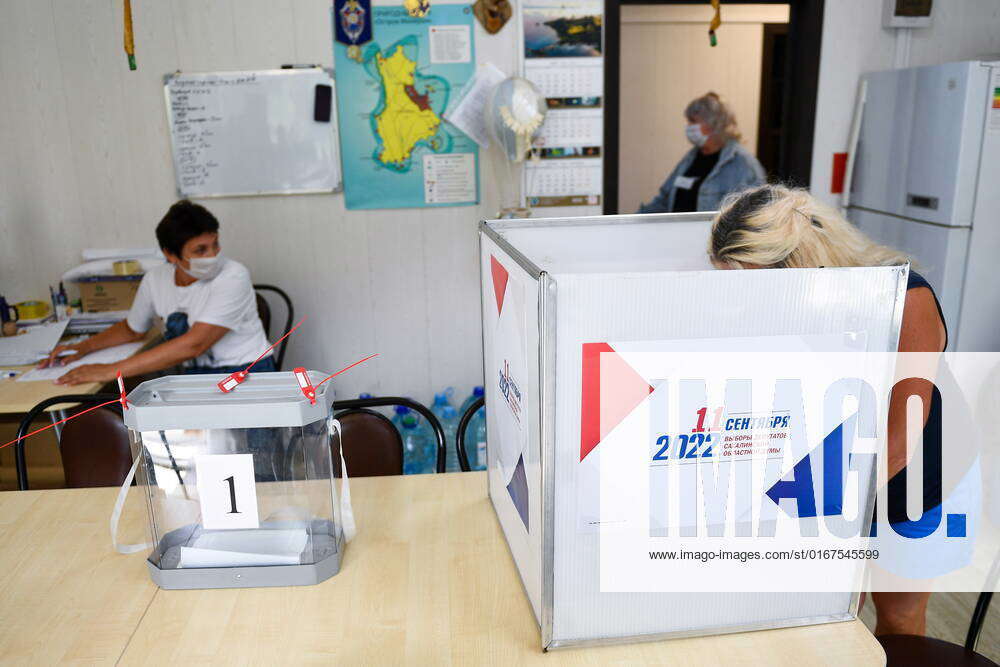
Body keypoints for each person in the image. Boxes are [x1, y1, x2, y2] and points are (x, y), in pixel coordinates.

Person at [708, 184, 949, 637]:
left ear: (798, 263)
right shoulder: (793, 301)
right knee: (831, 622)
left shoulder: (906, 299)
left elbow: (898, 445)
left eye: (752, 282)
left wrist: (805, 516)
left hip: (907, 486)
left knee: (898, 620)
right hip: (830, 477)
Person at [41, 200, 275, 384]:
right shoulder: (156, 279)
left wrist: (109, 371)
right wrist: (84, 347)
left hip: (247, 373)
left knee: (241, 446)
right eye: (200, 250)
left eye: (215, 244)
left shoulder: (234, 275)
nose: (212, 255)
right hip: (194, 376)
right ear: (170, 255)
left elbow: (194, 345)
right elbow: (132, 329)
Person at [639, 92, 765, 214]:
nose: (688, 126)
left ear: (714, 123)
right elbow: (664, 200)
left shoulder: (744, 164)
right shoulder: (690, 157)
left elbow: (754, 214)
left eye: (693, 121)